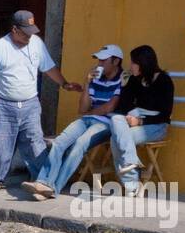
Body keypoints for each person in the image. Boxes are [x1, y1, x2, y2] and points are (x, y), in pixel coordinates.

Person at [0, 9, 82, 191]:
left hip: (30, 103)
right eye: (25, 33)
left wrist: (64, 84)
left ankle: (42, 179)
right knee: (0, 142)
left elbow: (49, 68)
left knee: (35, 142)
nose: (29, 37)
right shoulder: (0, 47)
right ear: (14, 30)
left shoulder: (37, 44)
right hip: (3, 103)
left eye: (31, 32)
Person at [22, 45, 125, 199]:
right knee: (59, 142)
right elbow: (82, 109)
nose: (99, 64)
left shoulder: (123, 79)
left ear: (116, 61)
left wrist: (90, 112)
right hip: (87, 119)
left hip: (106, 124)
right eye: (99, 60)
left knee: (79, 144)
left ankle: (53, 188)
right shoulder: (96, 78)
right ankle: (44, 182)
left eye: (104, 60)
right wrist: (87, 83)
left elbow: (110, 107)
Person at [109, 45, 174, 196]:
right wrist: (124, 86)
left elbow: (165, 115)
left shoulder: (164, 81)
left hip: (156, 125)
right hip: (133, 119)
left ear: (143, 63)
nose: (130, 66)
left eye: (133, 62)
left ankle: (131, 184)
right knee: (116, 118)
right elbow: (123, 109)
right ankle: (131, 166)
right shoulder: (134, 79)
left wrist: (140, 122)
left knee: (116, 139)